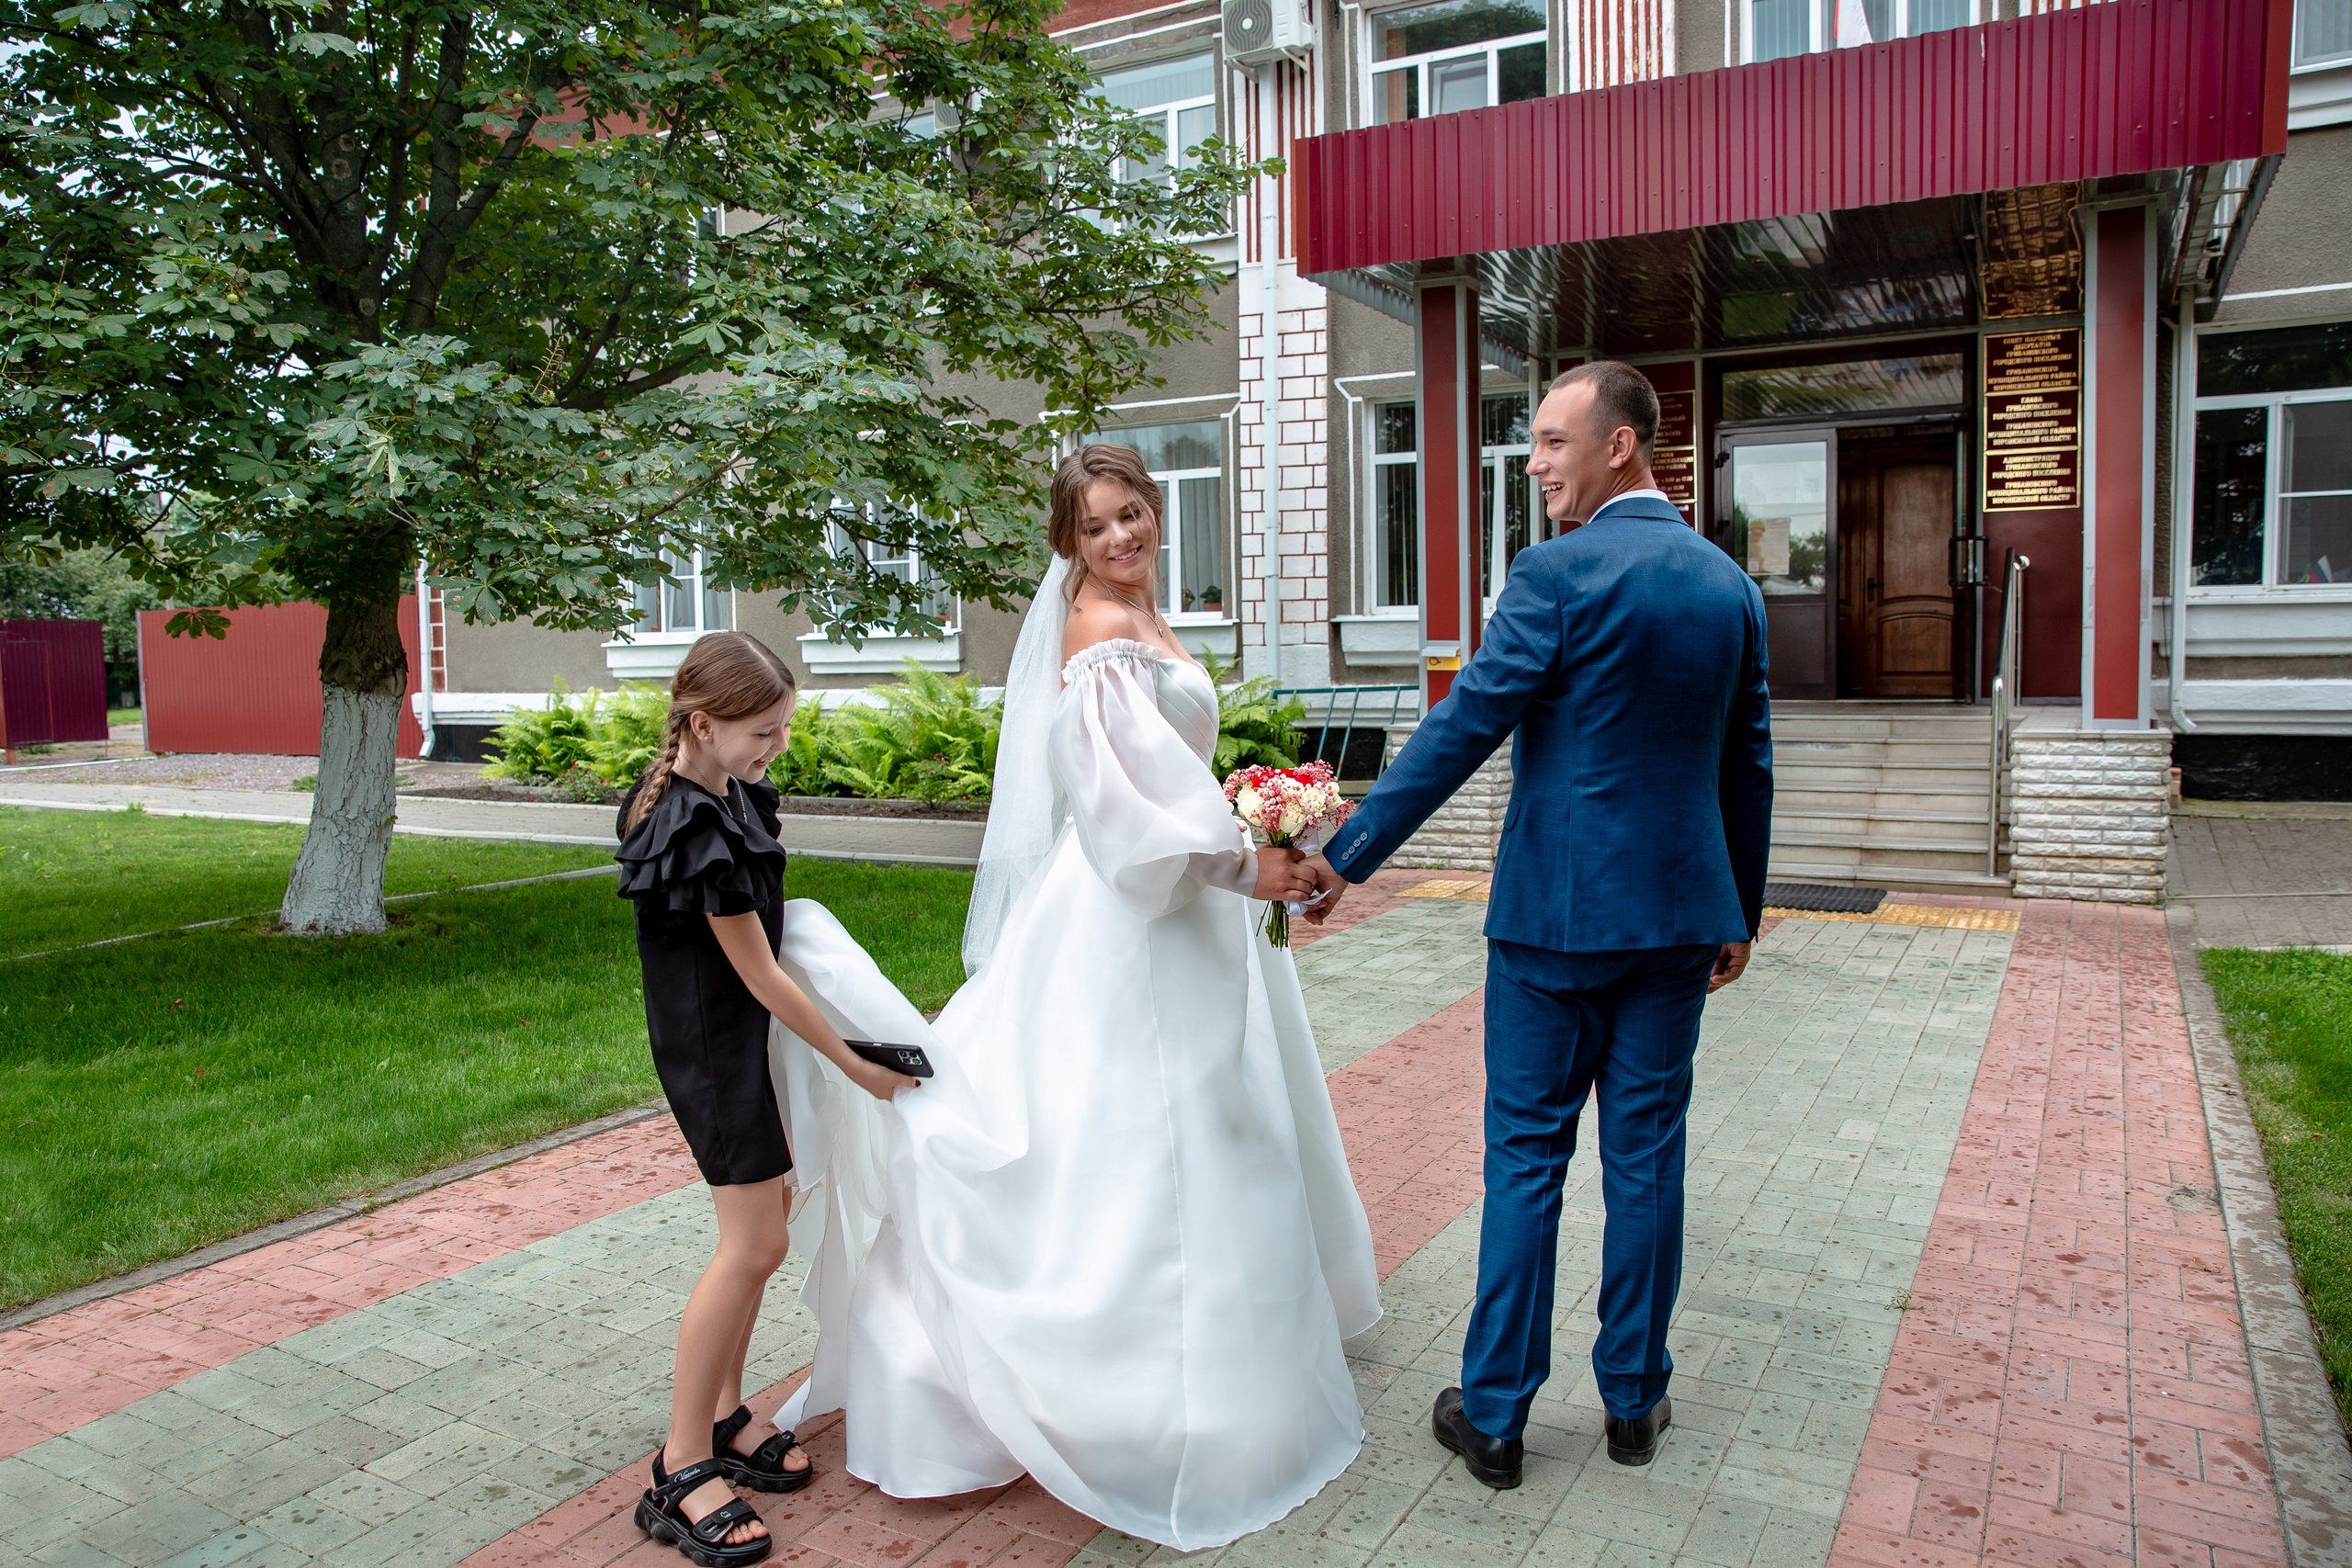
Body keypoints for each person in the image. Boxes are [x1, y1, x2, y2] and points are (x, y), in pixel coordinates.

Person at [762, 443, 1383, 1551]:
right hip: (1132, 920)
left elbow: (1165, 780)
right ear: (1070, 544)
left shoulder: (1142, 612)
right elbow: (1122, 817)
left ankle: (1216, 1357)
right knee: (1149, 1136)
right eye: (1093, 526)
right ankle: (1131, 1388)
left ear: (1154, 509)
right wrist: (1243, 864)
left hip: (1189, 913)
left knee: (1213, 1123)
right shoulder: (1098, 633)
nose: (1119, 537)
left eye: (1130, 513)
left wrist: (1257, 825)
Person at [1302, 361, 1772, 1487]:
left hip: (1553, 928)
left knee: (1525, 1161)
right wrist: (1739, 911)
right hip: (1677, 923)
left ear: (1620, 444)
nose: (1535, 464)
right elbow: (1747, 760)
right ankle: (1634, 1402)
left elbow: (1467, 721)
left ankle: (1498, 1418)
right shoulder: (1727, 586)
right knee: (1645, 1163)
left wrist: (1348, 854)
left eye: (1554, 440)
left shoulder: (1553, 574)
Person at [615, 631, 921, 1566]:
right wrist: (855, 1062)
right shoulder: (691, 825)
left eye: (784, 727)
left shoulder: (723, 794)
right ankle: (678, 1467)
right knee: (753, 1245)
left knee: (766, 1227)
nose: (777, 746)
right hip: (716, 1057)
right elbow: (760, 975)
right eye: (763, 731)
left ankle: (720, 1413)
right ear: (703, 723)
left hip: (747, 1045)